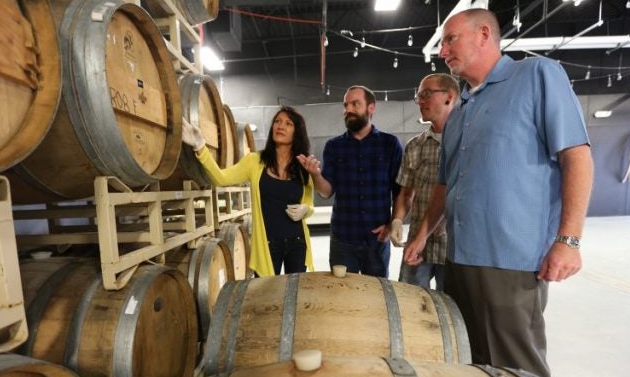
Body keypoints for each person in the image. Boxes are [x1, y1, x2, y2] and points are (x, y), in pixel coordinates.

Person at [403, 9, 594, 377]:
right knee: (473, 367)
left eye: (450, 39)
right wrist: (423, 234)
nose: (443, 51)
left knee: (519, 373)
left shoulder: (537, 76)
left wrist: (568, 240)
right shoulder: (459, 114)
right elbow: (445, 186)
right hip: (459, 261)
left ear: (484, 34)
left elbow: (577, 157)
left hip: (511, 262)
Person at [182, 107, 315, 277]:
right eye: (277, 121)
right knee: (267, 297)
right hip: (267, 245)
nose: (280, 126)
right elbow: (221, 178)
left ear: (297, 133)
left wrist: (306, 210)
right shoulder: (254, 161)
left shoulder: (303, 165)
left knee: (295, 296)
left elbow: (309, 203)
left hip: (298, 243)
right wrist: (200, 147)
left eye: (288, 123)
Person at [297, 85, 403, 277]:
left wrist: (392, 224)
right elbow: (326, 191)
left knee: (377, 296)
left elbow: (399, 191)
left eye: (355, 104)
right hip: (343, 238)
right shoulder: (334, 146)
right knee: (342, 296)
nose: (348, 109)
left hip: (376, 238)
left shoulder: (390, 144)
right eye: (346, 105)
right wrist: (316, 175)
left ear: (371, 107)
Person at [387, 74, 459, 290]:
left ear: (449, 97)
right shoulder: (414, 146)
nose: (420, 102)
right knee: (410, 309)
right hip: (418, 248)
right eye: (419, 97)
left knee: (457, 313)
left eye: (426, 94)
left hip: (455, 249)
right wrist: (397, 220)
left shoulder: (468, 143)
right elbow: (406, 193)